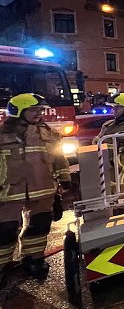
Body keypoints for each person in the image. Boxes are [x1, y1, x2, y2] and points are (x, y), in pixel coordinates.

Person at [0, 93, 71, 283]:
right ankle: (2, 265)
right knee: (5, 230)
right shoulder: (3, 134)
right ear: (19, 111)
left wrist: (64, 180)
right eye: (34, 110)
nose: (39, 114)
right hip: (8, 192)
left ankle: (33, 259)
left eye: (40, 110)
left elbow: (59, 159)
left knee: (39, 226)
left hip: (43, 189)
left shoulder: (48, 134)